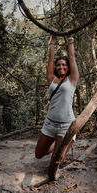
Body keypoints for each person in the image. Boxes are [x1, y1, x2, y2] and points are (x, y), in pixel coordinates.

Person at [35, 32, 79, 163]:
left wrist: (70, 38)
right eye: (59, 65)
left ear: (68, 67)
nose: (61, 67)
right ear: (56, 67)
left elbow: (71, 57)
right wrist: (52, 40)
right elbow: (50, 58)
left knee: (56, 161)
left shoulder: (72, 80)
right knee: (38, 154)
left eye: (64, 65)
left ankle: (61, 146)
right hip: (49, 124)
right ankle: (56, 146)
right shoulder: (51, 79)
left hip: (66, 126)